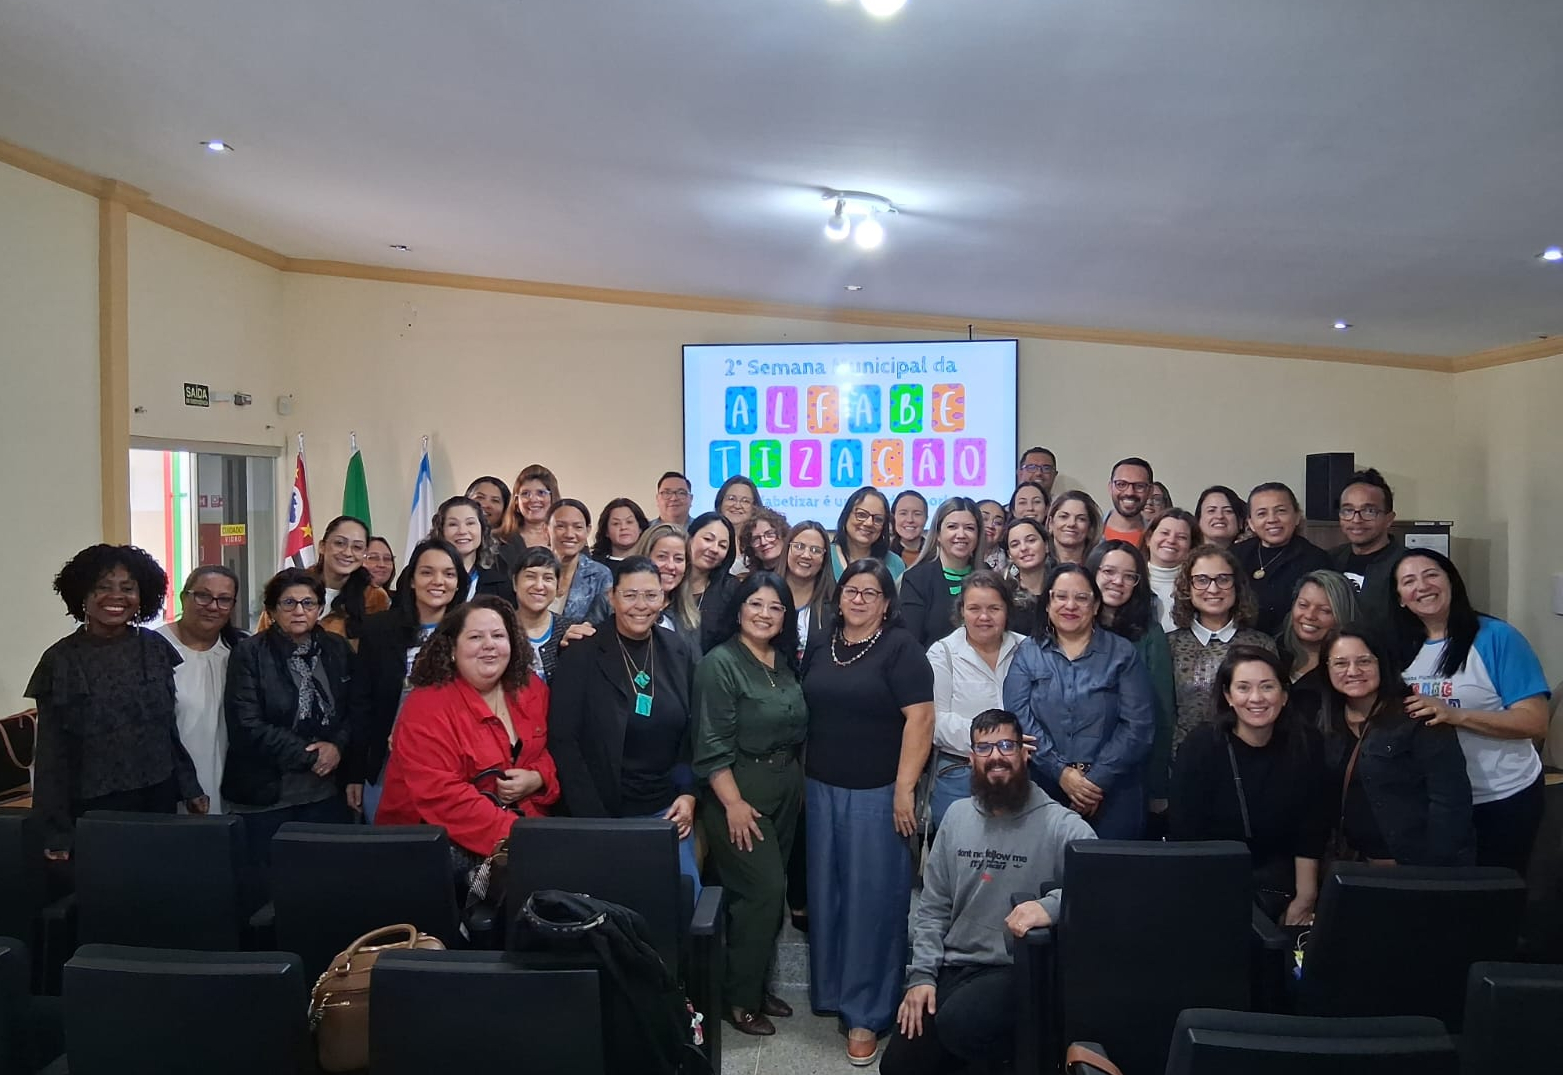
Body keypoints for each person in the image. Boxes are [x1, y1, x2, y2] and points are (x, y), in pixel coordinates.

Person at [883, 708, 1096, 1075]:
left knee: (961, 1024)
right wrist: (921, 979)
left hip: (1017, 973)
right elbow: (933, 908)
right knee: (899, 1067)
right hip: (955, 967)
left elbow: (1104, 884)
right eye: (984, 748)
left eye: (1006, 745)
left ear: (1024, 754)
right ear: (971, 759)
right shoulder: (956, 816)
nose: (995, 756)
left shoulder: (1061, 824)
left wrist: (1052, 905)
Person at [802, 559, 934, 1065]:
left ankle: (867, 1013)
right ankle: (834, 993)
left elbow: (921, 720)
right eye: (851, 590)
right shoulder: (821, 643)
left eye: (870, 593)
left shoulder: (901, 649)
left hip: (879, 794)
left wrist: (904, 789)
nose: (858, 599)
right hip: (820, 788)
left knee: (872, 904)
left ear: (885, 602)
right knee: (828, 896)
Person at [29, 545, 206, 861]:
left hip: (157, 795)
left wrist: (190, 787)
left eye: (128, 588)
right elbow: (51, 755)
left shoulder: (155, 648)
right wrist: (56, 831)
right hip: (93, 806)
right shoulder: (61, 659)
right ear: (82, 595)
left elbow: (166, 729)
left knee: (159, 888)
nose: (116, 596)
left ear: (143, 597)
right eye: (102, 587)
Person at [1385, 549, 1550, 874]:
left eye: (1431, 574)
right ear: (1401, 598)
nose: (1422, 586)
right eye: (1409, 581)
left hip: (1501, 795)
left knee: (1494, 897)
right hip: (1434, 802)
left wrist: (1455, 715)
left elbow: (1536, 721)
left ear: (1451, 581)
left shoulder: (1496, 637)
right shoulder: (1398, 649)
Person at [693, 573, 808, 1036]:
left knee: (767, 897)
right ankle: (736, 1000)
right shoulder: (719, 664)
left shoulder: (781, 661)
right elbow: (710, 743)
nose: (765, 614)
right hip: (738, 793)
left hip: (784, 789)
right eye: (756, 605)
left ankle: (756, 987)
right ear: (739, 610)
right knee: (760, 894)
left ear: (785, 617)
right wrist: (734, 804)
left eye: (775, 607)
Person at [548, 557, 703, 890]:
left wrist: (689, 794)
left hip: (668, 811)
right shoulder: (582, 653)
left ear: (663, 600)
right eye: (630, 595)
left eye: (651, 595)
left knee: (683, 905)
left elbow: (694, 731)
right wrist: (596, 822)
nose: (640, 606)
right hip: (602, 811)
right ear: (612, 597)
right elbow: (564, 741)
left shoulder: (678, 650)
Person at [376, 596, 558, 864]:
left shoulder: (531, 688)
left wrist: (538, 777)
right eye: (475, 637)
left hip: (515, 843)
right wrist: (528, 840)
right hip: (432, 855)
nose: (489, 646)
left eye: (498, 635)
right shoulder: (425, 707)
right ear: (452, 648)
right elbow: (444, 798)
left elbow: (552, 752)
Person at [1169, 646, 1328, 925]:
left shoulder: (1306, 744)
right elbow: (1185, 834)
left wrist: (1305, 898)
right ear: (1228, 696)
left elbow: (1311, 829)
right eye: (1243, 688)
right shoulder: (1201, 747)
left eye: (1267, 687)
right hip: (1211, 887)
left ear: (1284, 695)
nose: (1256, 698)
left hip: (1281, 887)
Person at [1004, 564, 1155, 838]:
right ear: (1048, 604)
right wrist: (1061, 772)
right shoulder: (1027, 653)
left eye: (1081, 598)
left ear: (1096, 605)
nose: (1070, 605)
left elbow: (1138, 726)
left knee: (1112, 875)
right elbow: (1019, 719)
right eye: (1060, 597)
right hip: (1044, 786)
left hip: (1114, 791)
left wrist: (1095, 781)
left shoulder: (1122, 653)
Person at [223, 568, 355, 864]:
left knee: (326, 881)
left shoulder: (336, 649)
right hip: (266, 795)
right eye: (289, 603)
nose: (299, 611)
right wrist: (312, 756)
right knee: (268, 891)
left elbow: (354, 709)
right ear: (271, 610)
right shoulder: (250, 653)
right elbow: (246, 725)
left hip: (326, 794)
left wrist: (337, 748)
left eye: (308, 603)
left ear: (320, 608)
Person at [1319, 628, 1474, 866]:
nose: (1352, 671)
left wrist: (1433, 867)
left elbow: (1450, 800)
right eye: (1340, 663)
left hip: (1413, 866)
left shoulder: (1417, 716)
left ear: (1382, 663)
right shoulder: (1324, 722)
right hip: (1351, 864)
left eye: (1364, 661)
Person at [345, 539, 468, 822]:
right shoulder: (379, 629)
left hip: (453, 763)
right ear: (411, 579)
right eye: (427, 572)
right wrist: (355, 772)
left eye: (449, 574)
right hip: (385, 764)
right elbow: (361, 704)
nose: (438, 581)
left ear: (458, 582)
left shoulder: (470, 630)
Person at [1086, 541, 1178, 828]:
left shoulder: (1150, 633)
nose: (1118, 582)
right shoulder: (1072, 626)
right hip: (1072, 773)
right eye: (1110, 571)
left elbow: (1161, 713)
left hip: (1129, 772)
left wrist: (1158, 786)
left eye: (1129, 576)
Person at [926, 572, 1024, 827]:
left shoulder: (1027, 649)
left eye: (994, 608)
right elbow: (936, 721)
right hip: (959, 774)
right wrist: (995, 744)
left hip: (1020, 774)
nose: (984, 617)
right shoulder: (942, 652)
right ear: (961, 612)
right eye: (974, 608)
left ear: (1007, 610)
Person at [1166, 545, 1276, 751]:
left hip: (1248, 757)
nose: (1213, 589)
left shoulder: (1261, 644)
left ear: (1237, 585)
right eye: (1201, 580)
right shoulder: (1170, 645)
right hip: (1183, 759)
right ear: (1187, 588)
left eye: (1223, 579)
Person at [158, 566, 245, 815]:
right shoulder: (154, 648)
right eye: (203, 596)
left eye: (224, 599)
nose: (213, 606)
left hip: (230, 785)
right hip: (169, 786)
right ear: (184, 597)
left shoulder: (241, 650)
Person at [257, 515, 389, 647]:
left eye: (357, 547)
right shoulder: (290, 585)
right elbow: (261, 641)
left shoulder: (375, 597)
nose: (348, 552)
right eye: (339, 543)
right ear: (322, 547)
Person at [1233, 482, 1330, 635]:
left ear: (1297, 516)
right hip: (1240, 642)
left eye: (1281, 511)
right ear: (1250, 523)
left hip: (1291, 645)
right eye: (1262, 514)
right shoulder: (1235, 554)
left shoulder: (1316, 559)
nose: (1272, 519)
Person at [1276, 570, 1359, 726]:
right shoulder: (1272, 653)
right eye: (1303, 605)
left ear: (1342, 616)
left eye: (1324, 610)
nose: (1310, 615)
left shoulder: (1352, 669)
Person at [901, 497, 985, 647]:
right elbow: (910, 643)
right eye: (952, 527)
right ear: (938, 534)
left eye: (969, 528)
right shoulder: (916, 579)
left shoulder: (989, 576)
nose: (961, 534)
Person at [1330, 467, 1402, 615]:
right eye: (1348, 511)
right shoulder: (1329, 560)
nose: (1356, 520)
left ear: (1389, 519)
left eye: (1369, 511)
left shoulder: (1406, 565)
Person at [431, 495, 516, 607]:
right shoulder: (425, 578)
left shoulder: (501, 585)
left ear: (482, 529)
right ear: (441, 531)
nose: (462, 531)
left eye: (470, 523)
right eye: (453, 524)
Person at [673, 511, 738, 655]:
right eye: (708, 539)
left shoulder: (730, 589)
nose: (714, 549)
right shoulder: (669, 580)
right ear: (690, 538)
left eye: (722, 546)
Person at [549, 498, 612, 621]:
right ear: (546, 528)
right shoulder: (533, 568)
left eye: (578, 527)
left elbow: (603, 623)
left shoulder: (599, 575)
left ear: (587, 530)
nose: (569, 534)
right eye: (560, 526)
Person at [829, 486, 906, 584]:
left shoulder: (894, 563)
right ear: (846, 515)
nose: (869, 523)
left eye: (878, 519)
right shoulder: (826, 556)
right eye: (861, 515)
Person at [512, 546, 567, 681]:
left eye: (548, 578)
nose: (539, 586)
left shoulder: (570, 631)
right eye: (530, 576)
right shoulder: (499, 629)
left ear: (557, 585)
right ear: (515, 582)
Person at [784, 520, 834, 657]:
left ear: (824, 558)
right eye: (799, 546)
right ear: (787, 548)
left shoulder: (833, 606)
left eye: (815, 550)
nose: (806, 555)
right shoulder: (765, 592)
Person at [1146, 508, 1197, 632]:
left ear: (1191, 546)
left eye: (1182, 537)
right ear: (1148, 538)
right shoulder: (1131, 580)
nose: (1171, 540)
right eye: (1164, 533)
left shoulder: (1198, 587)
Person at [497, 464, 558, 565]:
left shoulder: (568, 537)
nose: (533, 499)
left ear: (553, 497)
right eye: (525, 494)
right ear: (516, 501)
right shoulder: (498, 540)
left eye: (541, 493)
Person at [1003, 517, 1049, 637]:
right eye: (1015, 544)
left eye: (1031, 540)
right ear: (1010, 555)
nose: (1023, 548)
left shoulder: (1061, 588)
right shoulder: (1003, 594)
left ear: (1046, 545)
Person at [1101, 457, 1154, 547]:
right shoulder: (1089, 531)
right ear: (1110, 487)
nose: (1129, 492)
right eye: (1121, 484)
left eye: (1139, 486)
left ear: (1150, 491)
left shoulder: (1155, 539)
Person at [1044, 490, 1101, 568]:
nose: (1071, 524)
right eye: (1064, 517)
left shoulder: (1100, 568)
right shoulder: (1038, 568)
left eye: (1081, 519)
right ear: (1051, 524)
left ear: (1090, 528)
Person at [591, 497, 649, 563]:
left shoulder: (652, 562)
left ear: (640, 527)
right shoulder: (594, 566)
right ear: (606, 531)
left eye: (629, 522)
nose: (623, 527)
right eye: (616, 524)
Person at [735, 507, 788, 578]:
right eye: (756, 539)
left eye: (769, 534)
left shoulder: (799, 573)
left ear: (783, 535)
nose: (763, 542)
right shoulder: (745, 581)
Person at [1194, 485, 1246, 549]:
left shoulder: (1254, 554)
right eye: (1211, 511)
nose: (1220, 516)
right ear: (1198, 520)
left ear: (1240, 522)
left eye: (1228, 511)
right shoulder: (1186, 556)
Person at [889, 490, 930, 572]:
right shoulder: (883, 555)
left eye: (917, 514)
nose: (910, 520)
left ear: (926, 519)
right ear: (893, 518)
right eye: (903, 513)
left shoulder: (936, 555)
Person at [977, 499, 1007, 570]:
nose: (990, 526)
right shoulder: (961, 554)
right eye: (984, 518)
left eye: (998, 522)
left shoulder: (1009, 564)